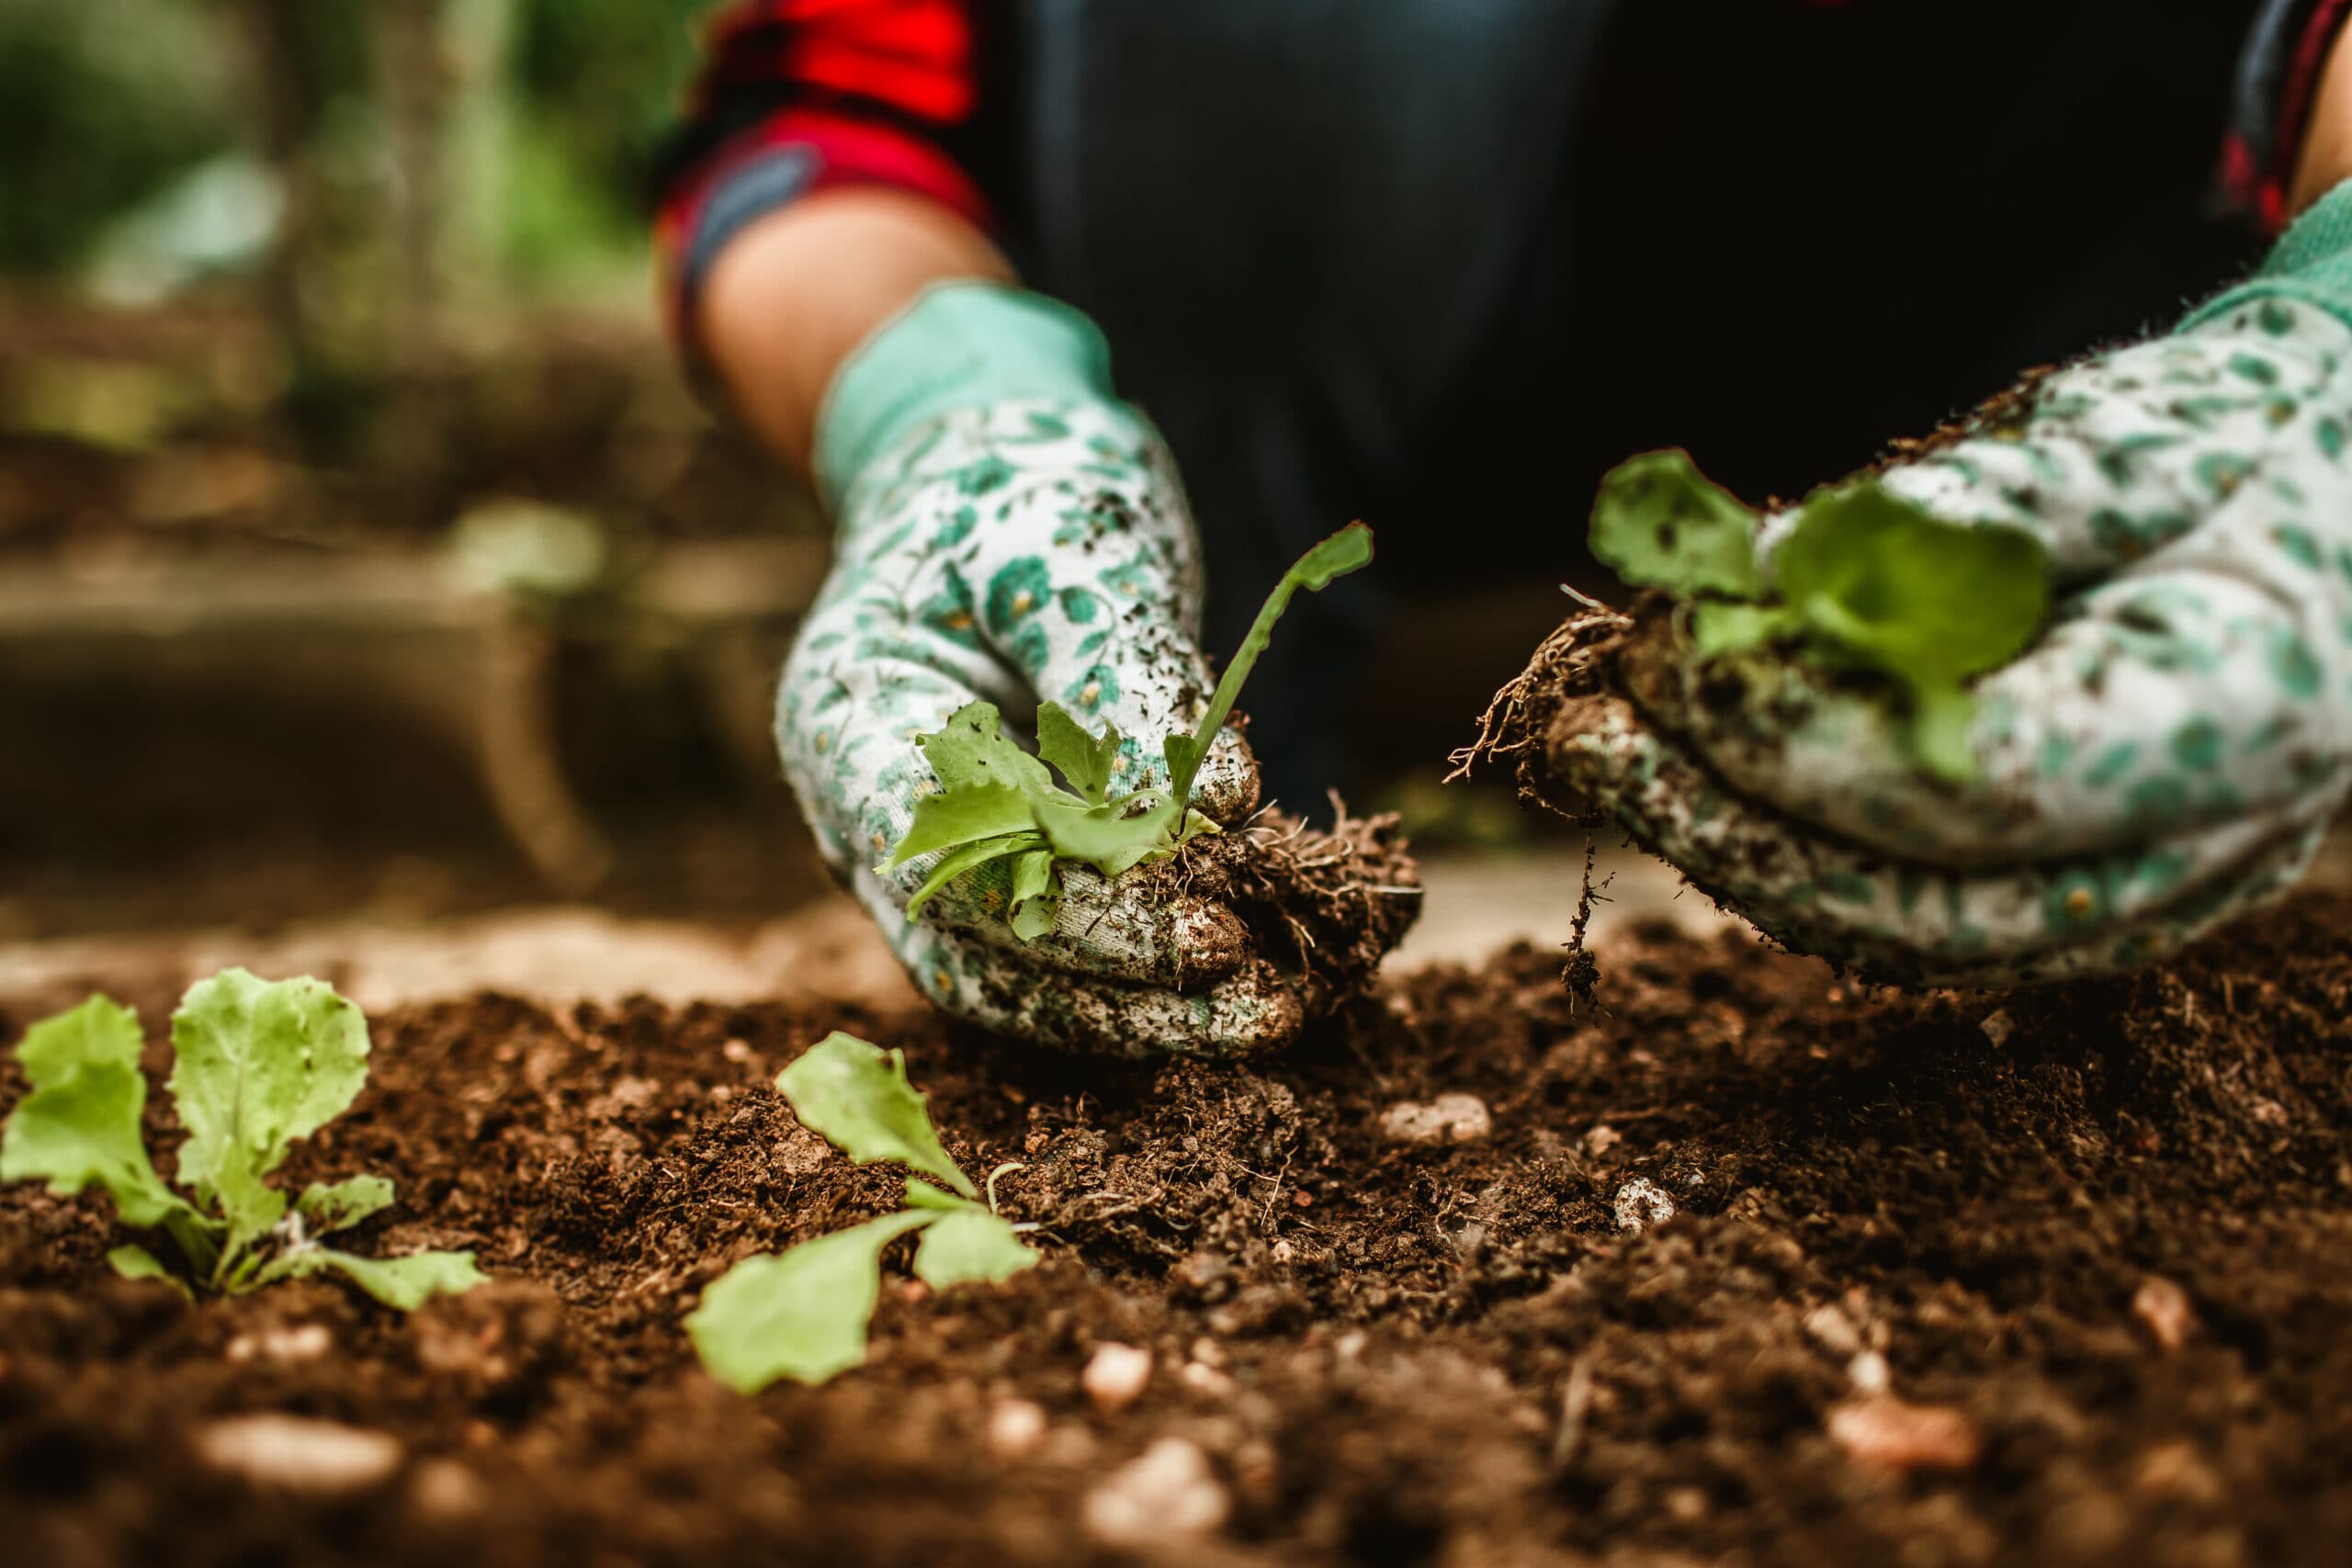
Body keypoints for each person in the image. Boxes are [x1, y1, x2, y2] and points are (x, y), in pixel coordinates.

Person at [653, 0, 2352, 1053]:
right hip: (1306, 328)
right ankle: (1234, 821)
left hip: (2055, 286)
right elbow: (814, 131)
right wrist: (947, 403)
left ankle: (2051, 669)